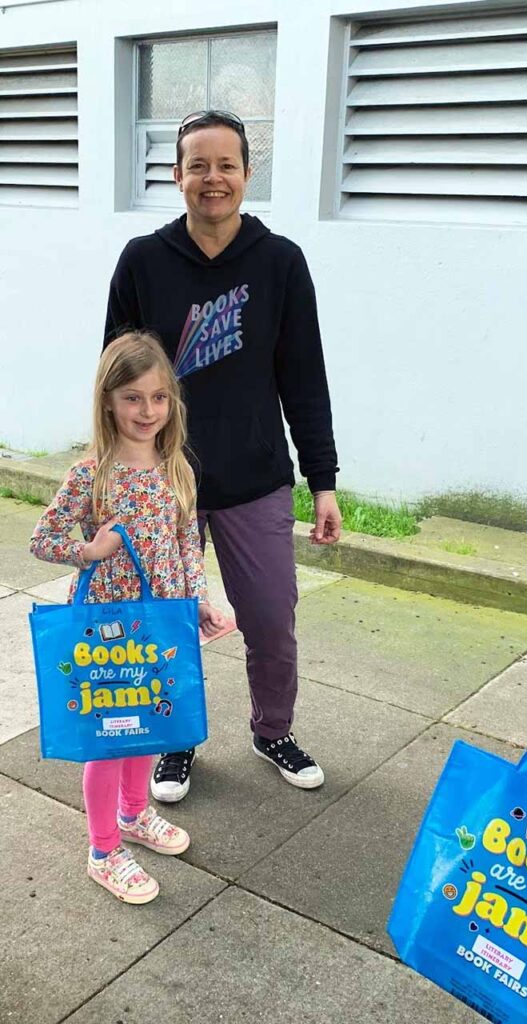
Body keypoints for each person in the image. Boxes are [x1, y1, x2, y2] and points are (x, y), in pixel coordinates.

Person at [103, 110, 341, 801]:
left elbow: (304, 376)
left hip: (254, 478)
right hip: (160, 484)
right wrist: (115, 479)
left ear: (246, 174)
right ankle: (176, 739)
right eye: (198, 165)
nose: (213, 178)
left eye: (226, 165)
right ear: (176, 176)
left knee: (270, 619)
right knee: (168, 620)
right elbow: (114, 377)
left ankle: (273, 730)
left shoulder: (280, 262)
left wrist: (321, 482)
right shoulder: (142, 261)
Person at [30, 332, 227, 904]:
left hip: (161, 623)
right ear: (108, 401)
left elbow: (189, 542)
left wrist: (201, 600)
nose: (148, 411)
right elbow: (43, 538)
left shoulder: (176, 468)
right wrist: (87, 552)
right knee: (105, 737)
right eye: (133, 398)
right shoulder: (93, 473)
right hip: (101, 629)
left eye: (160, 398)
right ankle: (103, 849)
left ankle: (136, 813)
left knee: (149, 724)